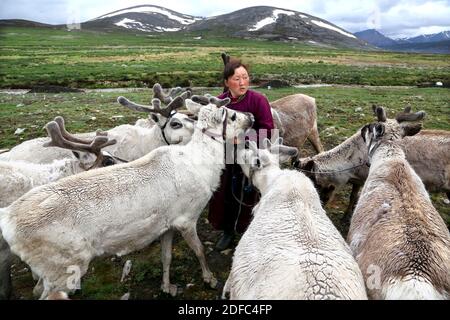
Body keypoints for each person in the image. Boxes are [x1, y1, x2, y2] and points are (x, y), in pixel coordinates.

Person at [208, 54, 274, 251]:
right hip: (226, 157)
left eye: (245, 77)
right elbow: (209, 130)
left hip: (250, 156)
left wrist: (243, 139)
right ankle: (227, 231)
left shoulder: (258, 100)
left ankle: (249, 232)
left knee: (250, 196)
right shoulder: (218, 103)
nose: (242, 82)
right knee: (224, 194)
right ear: (227, 81)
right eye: (237, 79)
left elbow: (269, 131)